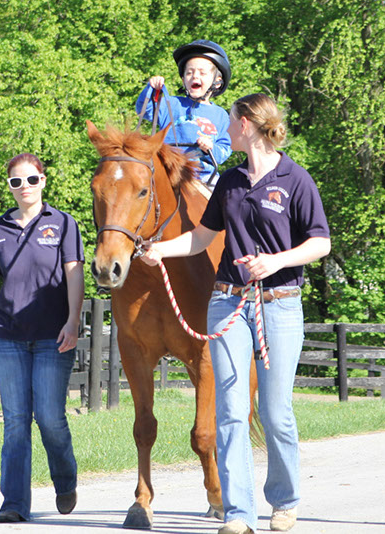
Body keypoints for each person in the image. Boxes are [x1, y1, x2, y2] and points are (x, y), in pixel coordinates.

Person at [141, 93, 331, 534]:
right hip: (228, 302)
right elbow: (201, 237)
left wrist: (277, 261)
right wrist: (157, 251)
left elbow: (320, 243)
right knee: (230, 409)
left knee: (276, 409)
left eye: (230, 120)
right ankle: (238, 513)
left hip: (279, 304)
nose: (224, 127)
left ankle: (284, 502)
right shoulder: (229, 182)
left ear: (247, 124)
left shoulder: (295, 179)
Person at [0, 153, 85, 523]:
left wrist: (73, 320)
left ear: (43, 181)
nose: (24, 187)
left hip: (53, 336)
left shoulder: (63, 224)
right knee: (15, 421)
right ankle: (14, 503)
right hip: (8, 337)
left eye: (31, 180)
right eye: (16, 182)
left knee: (49, 418)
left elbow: (74, 274)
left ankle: (65, 479)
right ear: (9, 187)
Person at [135, 39, 232, 190]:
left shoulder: (221, 115)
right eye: (189, 72)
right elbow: (143, 109)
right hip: (167, 172)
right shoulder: (171, 104)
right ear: (183, 79)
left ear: (217, 81)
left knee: (224, 200)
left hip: (203, 177)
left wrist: (210, 148)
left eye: (202, 73)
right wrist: (151, 88)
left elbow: (225, 150)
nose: (195, 76)